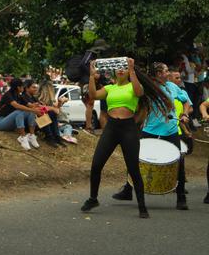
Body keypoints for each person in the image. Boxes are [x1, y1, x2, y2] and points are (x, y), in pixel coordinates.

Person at [81, 57, 171, 218]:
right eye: (119, 68)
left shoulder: (133, 86)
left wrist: (132, 71)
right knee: (96, 165)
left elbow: (139, 92)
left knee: (133, 169)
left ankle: (142, 206)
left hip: (128, 129)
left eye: (123, 68)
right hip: (111, 128)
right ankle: (93, 198)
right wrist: (91, 76)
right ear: (114, 72)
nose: (120, 70)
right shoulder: (109, 88)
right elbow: (93, 95)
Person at [110, 63, 190, 209]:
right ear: (159, 74)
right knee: (134, 159)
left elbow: (186, 102)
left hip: (170, 131)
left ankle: (181, 198)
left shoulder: (172, 87)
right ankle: (128, 190)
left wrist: (184, 114)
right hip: (150, 129)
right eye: (166, 70)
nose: (169, 73)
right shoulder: (148, 88)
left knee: (179, 163)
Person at [0, 79, 40, 150]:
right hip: (0, 122)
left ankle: (31, 135)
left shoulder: (19, 96)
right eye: (22, 87)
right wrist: (32, 109)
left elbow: (29, 105)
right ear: (18, 87)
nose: (23, 88)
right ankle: (23, 137)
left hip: (10, 123)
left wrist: (36, 106)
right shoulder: (8, 95)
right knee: (19, 111)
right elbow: (17, 106)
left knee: (31, 112)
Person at [33, 81, 68, 147]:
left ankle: (56, 136)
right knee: (43, 113)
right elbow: (40, 110)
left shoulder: (50, 101)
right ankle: (49, 137)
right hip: (34, 124)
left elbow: (57, 112)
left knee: (52, 113)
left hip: (42, 124)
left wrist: (59, 103)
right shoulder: (36, 98)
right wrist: (51, 108)